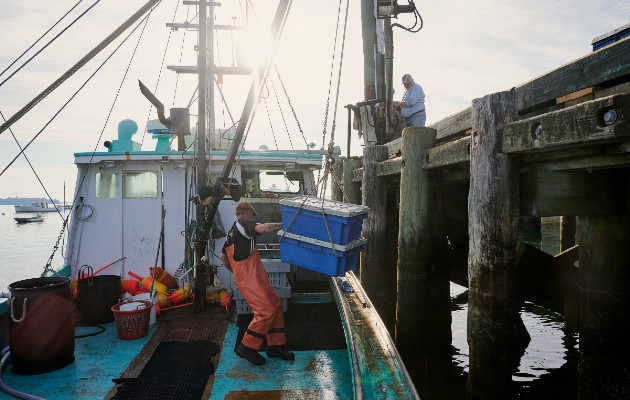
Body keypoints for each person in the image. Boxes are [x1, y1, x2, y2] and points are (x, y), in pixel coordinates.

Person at [219, 201, 294, 366]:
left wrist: (236, 272)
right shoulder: (245, 223)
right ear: (248, 213)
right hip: (250, 278)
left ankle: (275, 346)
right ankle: (246, 347)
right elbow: (263, 228)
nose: (253, 218)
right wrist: (286, 224)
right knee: (265, 311)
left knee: (275, 304)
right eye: (253, 215)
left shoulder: (232, 231)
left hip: (252, 276)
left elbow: (223, 257)